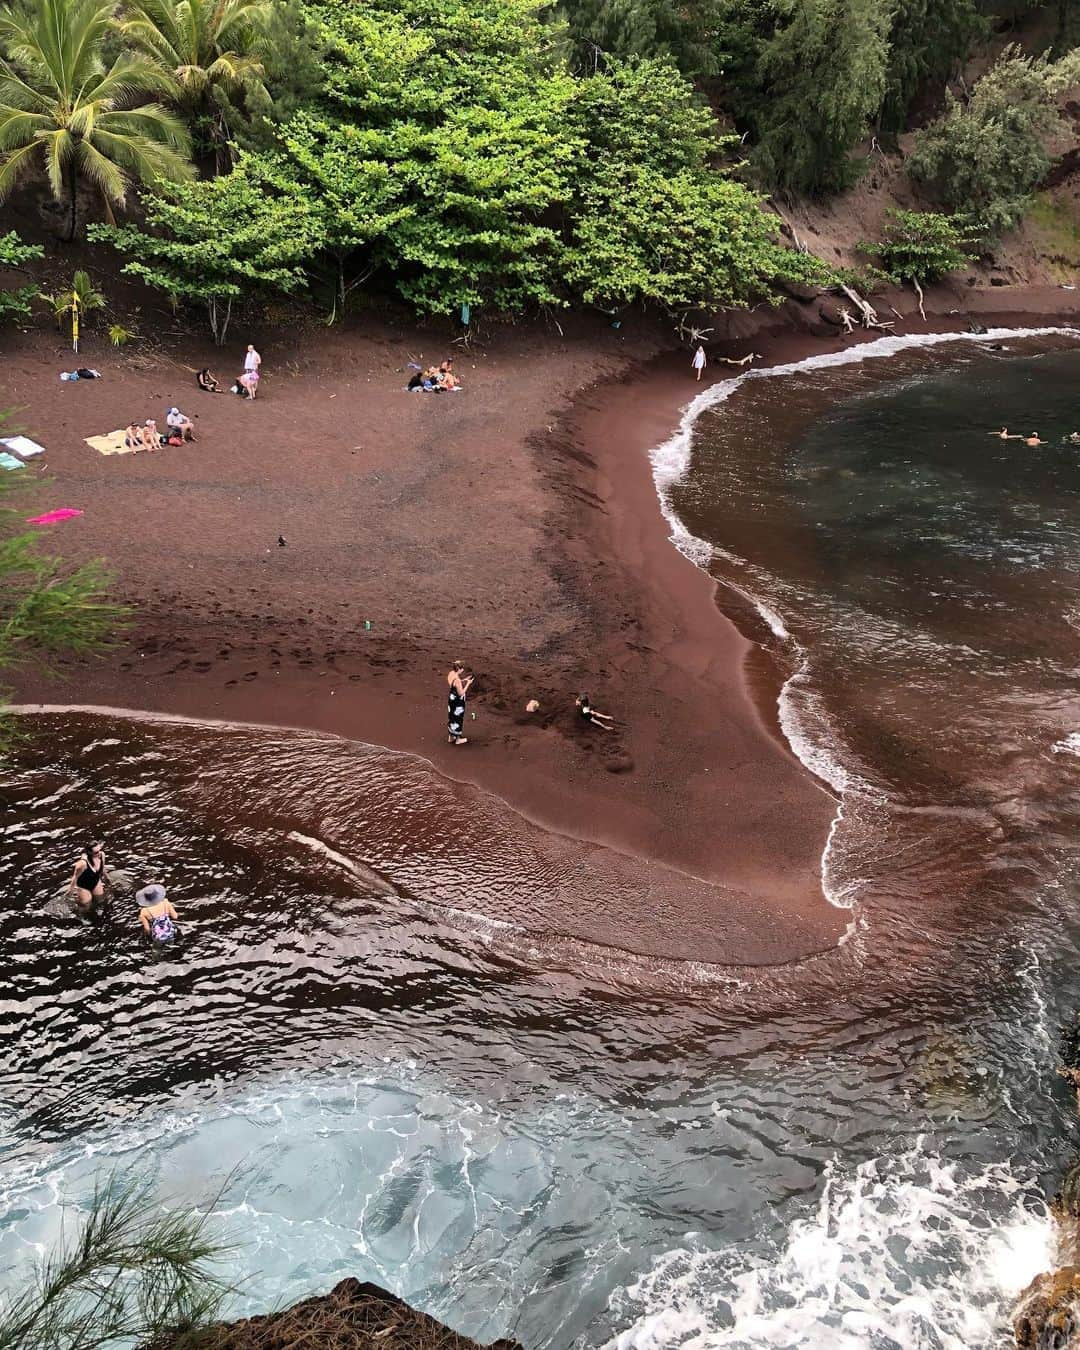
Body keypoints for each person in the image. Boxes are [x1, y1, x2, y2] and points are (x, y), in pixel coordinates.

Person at [67, 840, 108, 912]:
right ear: (90, 852)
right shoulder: (82, 863)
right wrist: (70, 890)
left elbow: (103, 868)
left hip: (95, 882)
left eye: (99, 850)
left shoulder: (102, 855)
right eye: (96, 852)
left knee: (100, 900)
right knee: (86, 907)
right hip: (84, 886)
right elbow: (75, 877)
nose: (99, 853)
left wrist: (107, 878)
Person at [447, 661, 473, 745]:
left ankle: (451, 737)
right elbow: (461, 693)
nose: (463, 670)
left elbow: (453, 685)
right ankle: (457, 739)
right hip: (458, 702)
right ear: (459, 669)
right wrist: (468, 684)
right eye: (462, 668)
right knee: (458, 719)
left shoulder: (451, 674)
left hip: (451, 699)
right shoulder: (457, 680)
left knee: (451, 717)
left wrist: (463, 680)